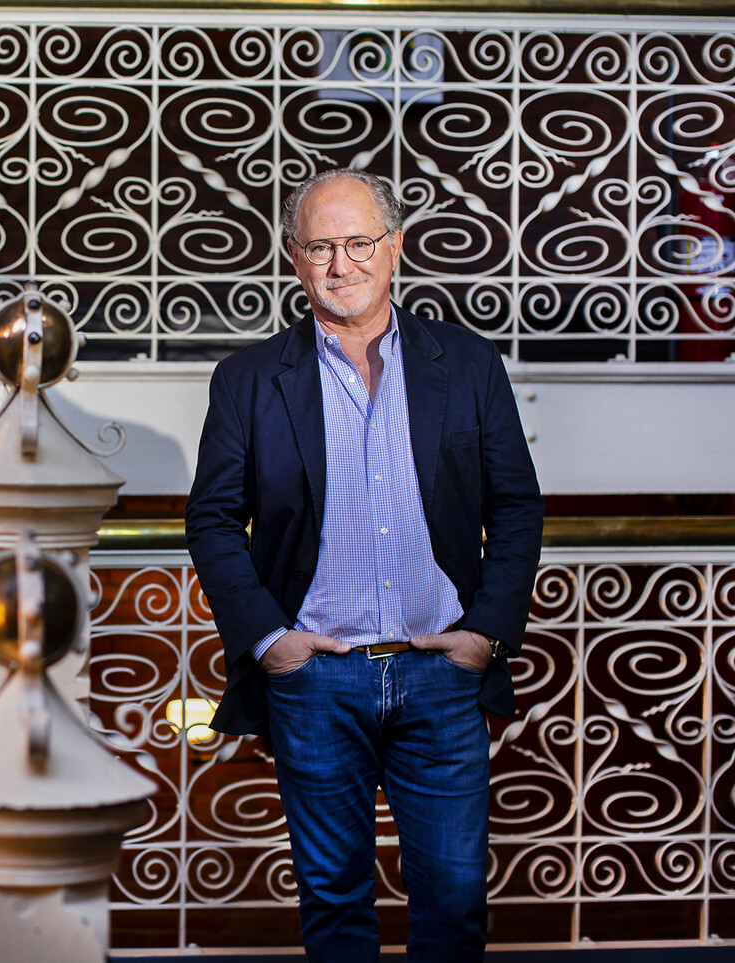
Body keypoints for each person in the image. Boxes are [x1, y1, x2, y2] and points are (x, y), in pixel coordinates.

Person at [184, 168, 543, 962]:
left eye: (357, 243)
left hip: (441, 674)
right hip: (315, 679)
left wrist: (485, 632)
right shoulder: (247, 380)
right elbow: (210, 519)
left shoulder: (470, 365)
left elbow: (515, 506)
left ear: (395, 249)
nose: (340, 263)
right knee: (334, 903)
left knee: (453, 903)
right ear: (293, 257)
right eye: (320, 246)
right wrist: (269, 638)